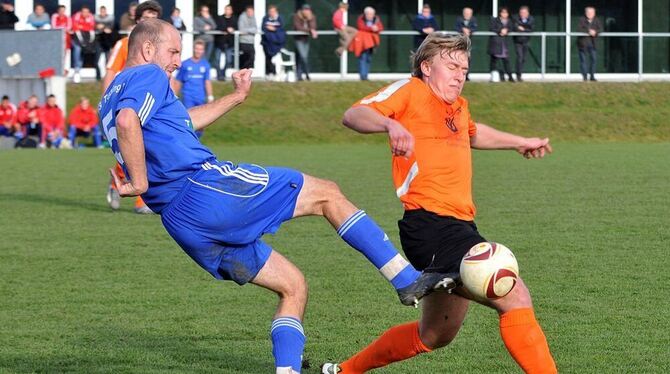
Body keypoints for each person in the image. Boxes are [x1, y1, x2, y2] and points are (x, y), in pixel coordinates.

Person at [99, 19, 455, 374]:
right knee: (327, 194)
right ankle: (406, 279)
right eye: (173, 51)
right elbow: (131, 122)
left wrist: (236, 97)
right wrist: (140, 182)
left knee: (293, 286)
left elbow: (178, 123)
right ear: (147, 49)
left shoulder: (112, 93)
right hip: (204, 190)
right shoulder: (149, 75)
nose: (177, 60)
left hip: (182, 223)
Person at [321, 32, 556, 374]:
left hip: (458, 226)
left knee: (434, 334)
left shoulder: (458, 107)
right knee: (514, 294)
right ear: (426, 66)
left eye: (464, 67)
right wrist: (389, 125)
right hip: (430, 226)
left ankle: (343, 371)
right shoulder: (411, 90)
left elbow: (472, 133)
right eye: (451, 65)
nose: (460, 74)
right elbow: (353, 114)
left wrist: (520, 142)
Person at [102, 0, 162, 214]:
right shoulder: (125, 44)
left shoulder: (160, 48)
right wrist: (106, 102)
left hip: (151, 105)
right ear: (137, 21)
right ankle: (119, 181)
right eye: (146, 19)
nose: (150, 24)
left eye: (154, 20)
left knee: (148, 149)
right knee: (131, 149)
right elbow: (110, 72)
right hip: (126, 105)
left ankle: (142, 200)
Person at [172, 39, 214, 138]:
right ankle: (188, 140)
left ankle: (196, 141)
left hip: (200, 97)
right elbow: (178, 81)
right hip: (188, 97)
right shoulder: (185, 64)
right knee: (189, 121)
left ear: (203, 51)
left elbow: (207, 81)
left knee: (201, 123)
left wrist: (210, 96)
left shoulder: (205, 65)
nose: (198, 51)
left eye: (201, 49)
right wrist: (174, 96)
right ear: (193, 49)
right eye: (197, 49)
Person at [349, 7, 383, 81]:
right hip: (362, 43)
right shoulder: (361, 19)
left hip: (371, 43)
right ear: (365, 14)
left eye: (372, 14)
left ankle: (366, 75)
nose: (370, 15)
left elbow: (380, 28)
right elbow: (361, 27)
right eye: (368, 14)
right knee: (362, 58)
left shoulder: (376, 19)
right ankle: (363, 76)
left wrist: (377, 29)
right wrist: (371, 28)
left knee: (368, 59)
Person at [71, 6, 97, 83]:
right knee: (77, 51)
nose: (85, 13)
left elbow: (91, 28)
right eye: (84, 12)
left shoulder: (91, 17)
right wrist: (84, 27)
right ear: (81, 12)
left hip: (87, 38)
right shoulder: (77, 16)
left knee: (85, 52)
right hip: (76, 39)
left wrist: (82, 26)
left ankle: (80, 68)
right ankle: (76, 70)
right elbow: (76, 29)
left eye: (87, 12)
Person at [293, 4, 318, 81]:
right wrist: (309, 30)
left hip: (306, 40)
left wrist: (309, 20)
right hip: (298, 39)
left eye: (308, 10)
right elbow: (298, 27)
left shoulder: (312, 17)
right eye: (305, 10)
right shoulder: (296, 16)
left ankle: (300, 75)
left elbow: (313, 26)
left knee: (302, 58)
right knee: (303, 57)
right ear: (302, 10)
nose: (307, 12)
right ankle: (306, 74)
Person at [488, 7, 514, 82]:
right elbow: (492, 28)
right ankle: (494, 78)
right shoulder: (495, 20)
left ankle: (510, 77)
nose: (504, 14)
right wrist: (500, 31)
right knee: (494, 62)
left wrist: (507, 30)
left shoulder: (509, 21)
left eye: (506, 13)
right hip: (495, 44)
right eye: (503, 12)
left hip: (504, 45)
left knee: (506, 61)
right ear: (500, 13)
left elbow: (511, 28)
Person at [261, 5, 286, 78]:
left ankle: (277, 73)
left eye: (273, 11)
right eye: (270, 11)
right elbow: (264, 28)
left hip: (277, 43)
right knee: (268, 58)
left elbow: (282, 30)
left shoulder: (280, 19)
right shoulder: (265, 18)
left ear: (276, 12)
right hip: (266, 42)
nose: (271, 13)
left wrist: (274, 29)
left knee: (276, 58)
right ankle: (269, 73)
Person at [578, 6, 601, 82]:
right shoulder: (582, 19)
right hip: (583, 44)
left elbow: (600, 29)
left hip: (593, 44)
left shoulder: (597, 20)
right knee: (583, 61)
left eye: (591, 12)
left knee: (593, 60)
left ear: (594, 13)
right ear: (585, 13)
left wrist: (595, 32)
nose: (590, 14)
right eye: (588, 12)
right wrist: (588, 31)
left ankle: (592, 76)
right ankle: (584, 77)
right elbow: (579, 29)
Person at [214, 4, 236, 80]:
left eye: (229, 9)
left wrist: (232, 30)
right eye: (226, 9)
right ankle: (219, 75)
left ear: (231, 11)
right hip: (219, 43)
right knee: (217, 60)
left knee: (228, 60)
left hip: (229, 43)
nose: (228, 11)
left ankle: (222, 74)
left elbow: (236, 27)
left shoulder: (234, 19)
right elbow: (218, 27)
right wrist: (227, 29)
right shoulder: (219, 18)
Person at [513, 6, 534, 82]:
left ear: (528, 13)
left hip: (526, 41)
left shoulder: (531, 19)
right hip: (518, 41)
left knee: (523, 59)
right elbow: (515, 27)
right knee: (519, 57)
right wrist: (520, 28)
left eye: (524, 12)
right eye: (521, 12)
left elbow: (531, 29)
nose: (522, 14)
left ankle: (520, 74)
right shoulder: (516, 18)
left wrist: (523, 29)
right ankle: (518, 75)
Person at [455, 7, 477, 81]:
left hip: (469, 44)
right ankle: (458, 75)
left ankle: (466, 75)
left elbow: (475, 28)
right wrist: (462, 29)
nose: (467, 15)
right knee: (459, 59)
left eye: (469, 13)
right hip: (460, 43)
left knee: (468, 60)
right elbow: (456, 28)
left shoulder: (473, 20)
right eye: (466, 13)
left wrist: (469, 31)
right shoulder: (459, 19)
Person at [95, 5, 115, 79]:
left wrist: (102, 27)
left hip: (107, 42)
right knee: (96, 60)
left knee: (108, 61)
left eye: (104, 11)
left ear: (106, 11)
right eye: (101, 11)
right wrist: (104, 28)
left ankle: (108, 76)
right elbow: (95, 27)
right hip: (99, 41)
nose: (102, 13)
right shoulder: (96, 18)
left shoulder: (110, 18)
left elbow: (110, 29)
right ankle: (98, 76)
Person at [51, 5, 72, 76]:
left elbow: (69, 27)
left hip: (66, 39)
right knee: (57, 54)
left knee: (65, 54)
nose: (62, 12)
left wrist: (61, 28)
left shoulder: (67, 18)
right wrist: (63, 28)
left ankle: (64, 70)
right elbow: (54, 27)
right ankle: (58, 69)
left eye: (63, 10)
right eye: (61, 10)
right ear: (58, 11)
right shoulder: (55, 17)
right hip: (56, 39)